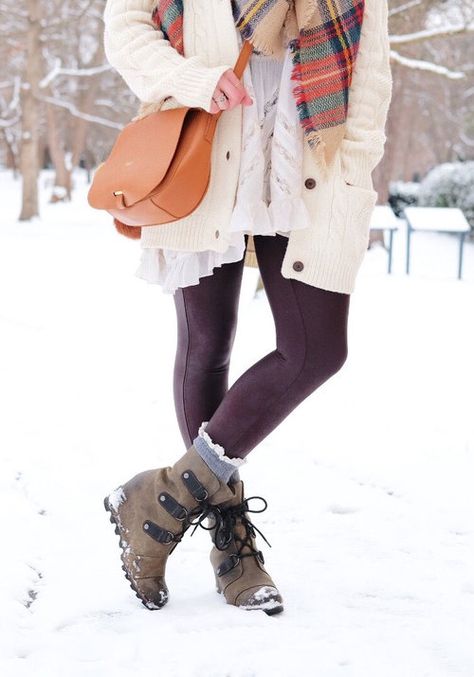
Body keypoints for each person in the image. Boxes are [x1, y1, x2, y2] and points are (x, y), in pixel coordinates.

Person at [101, 0, 393, 615]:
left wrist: (356, 167)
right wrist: (193, 80)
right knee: (207, 346)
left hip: (309, 151)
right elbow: (126, 28)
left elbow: (369, 76)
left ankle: (160, 502)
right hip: (204, 144)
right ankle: (232, 547)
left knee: (316, 349)